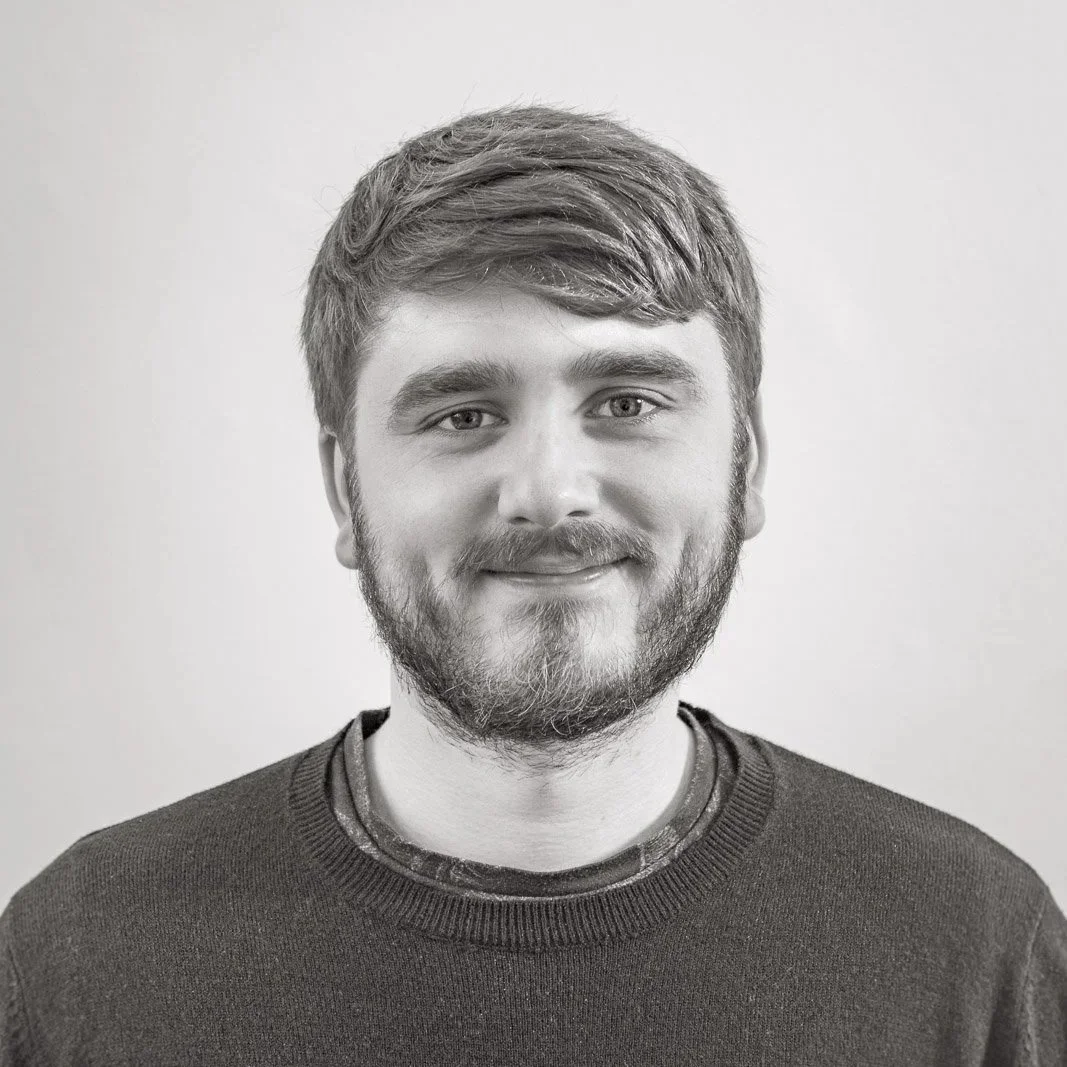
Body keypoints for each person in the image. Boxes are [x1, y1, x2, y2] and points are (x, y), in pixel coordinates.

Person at [2, 104, 1064, 1065]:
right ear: (344, 489)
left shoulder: (969, 944)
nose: (549, 491)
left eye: (627, 401)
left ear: (748, 467)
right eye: (461, 414)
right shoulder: (84, 956)